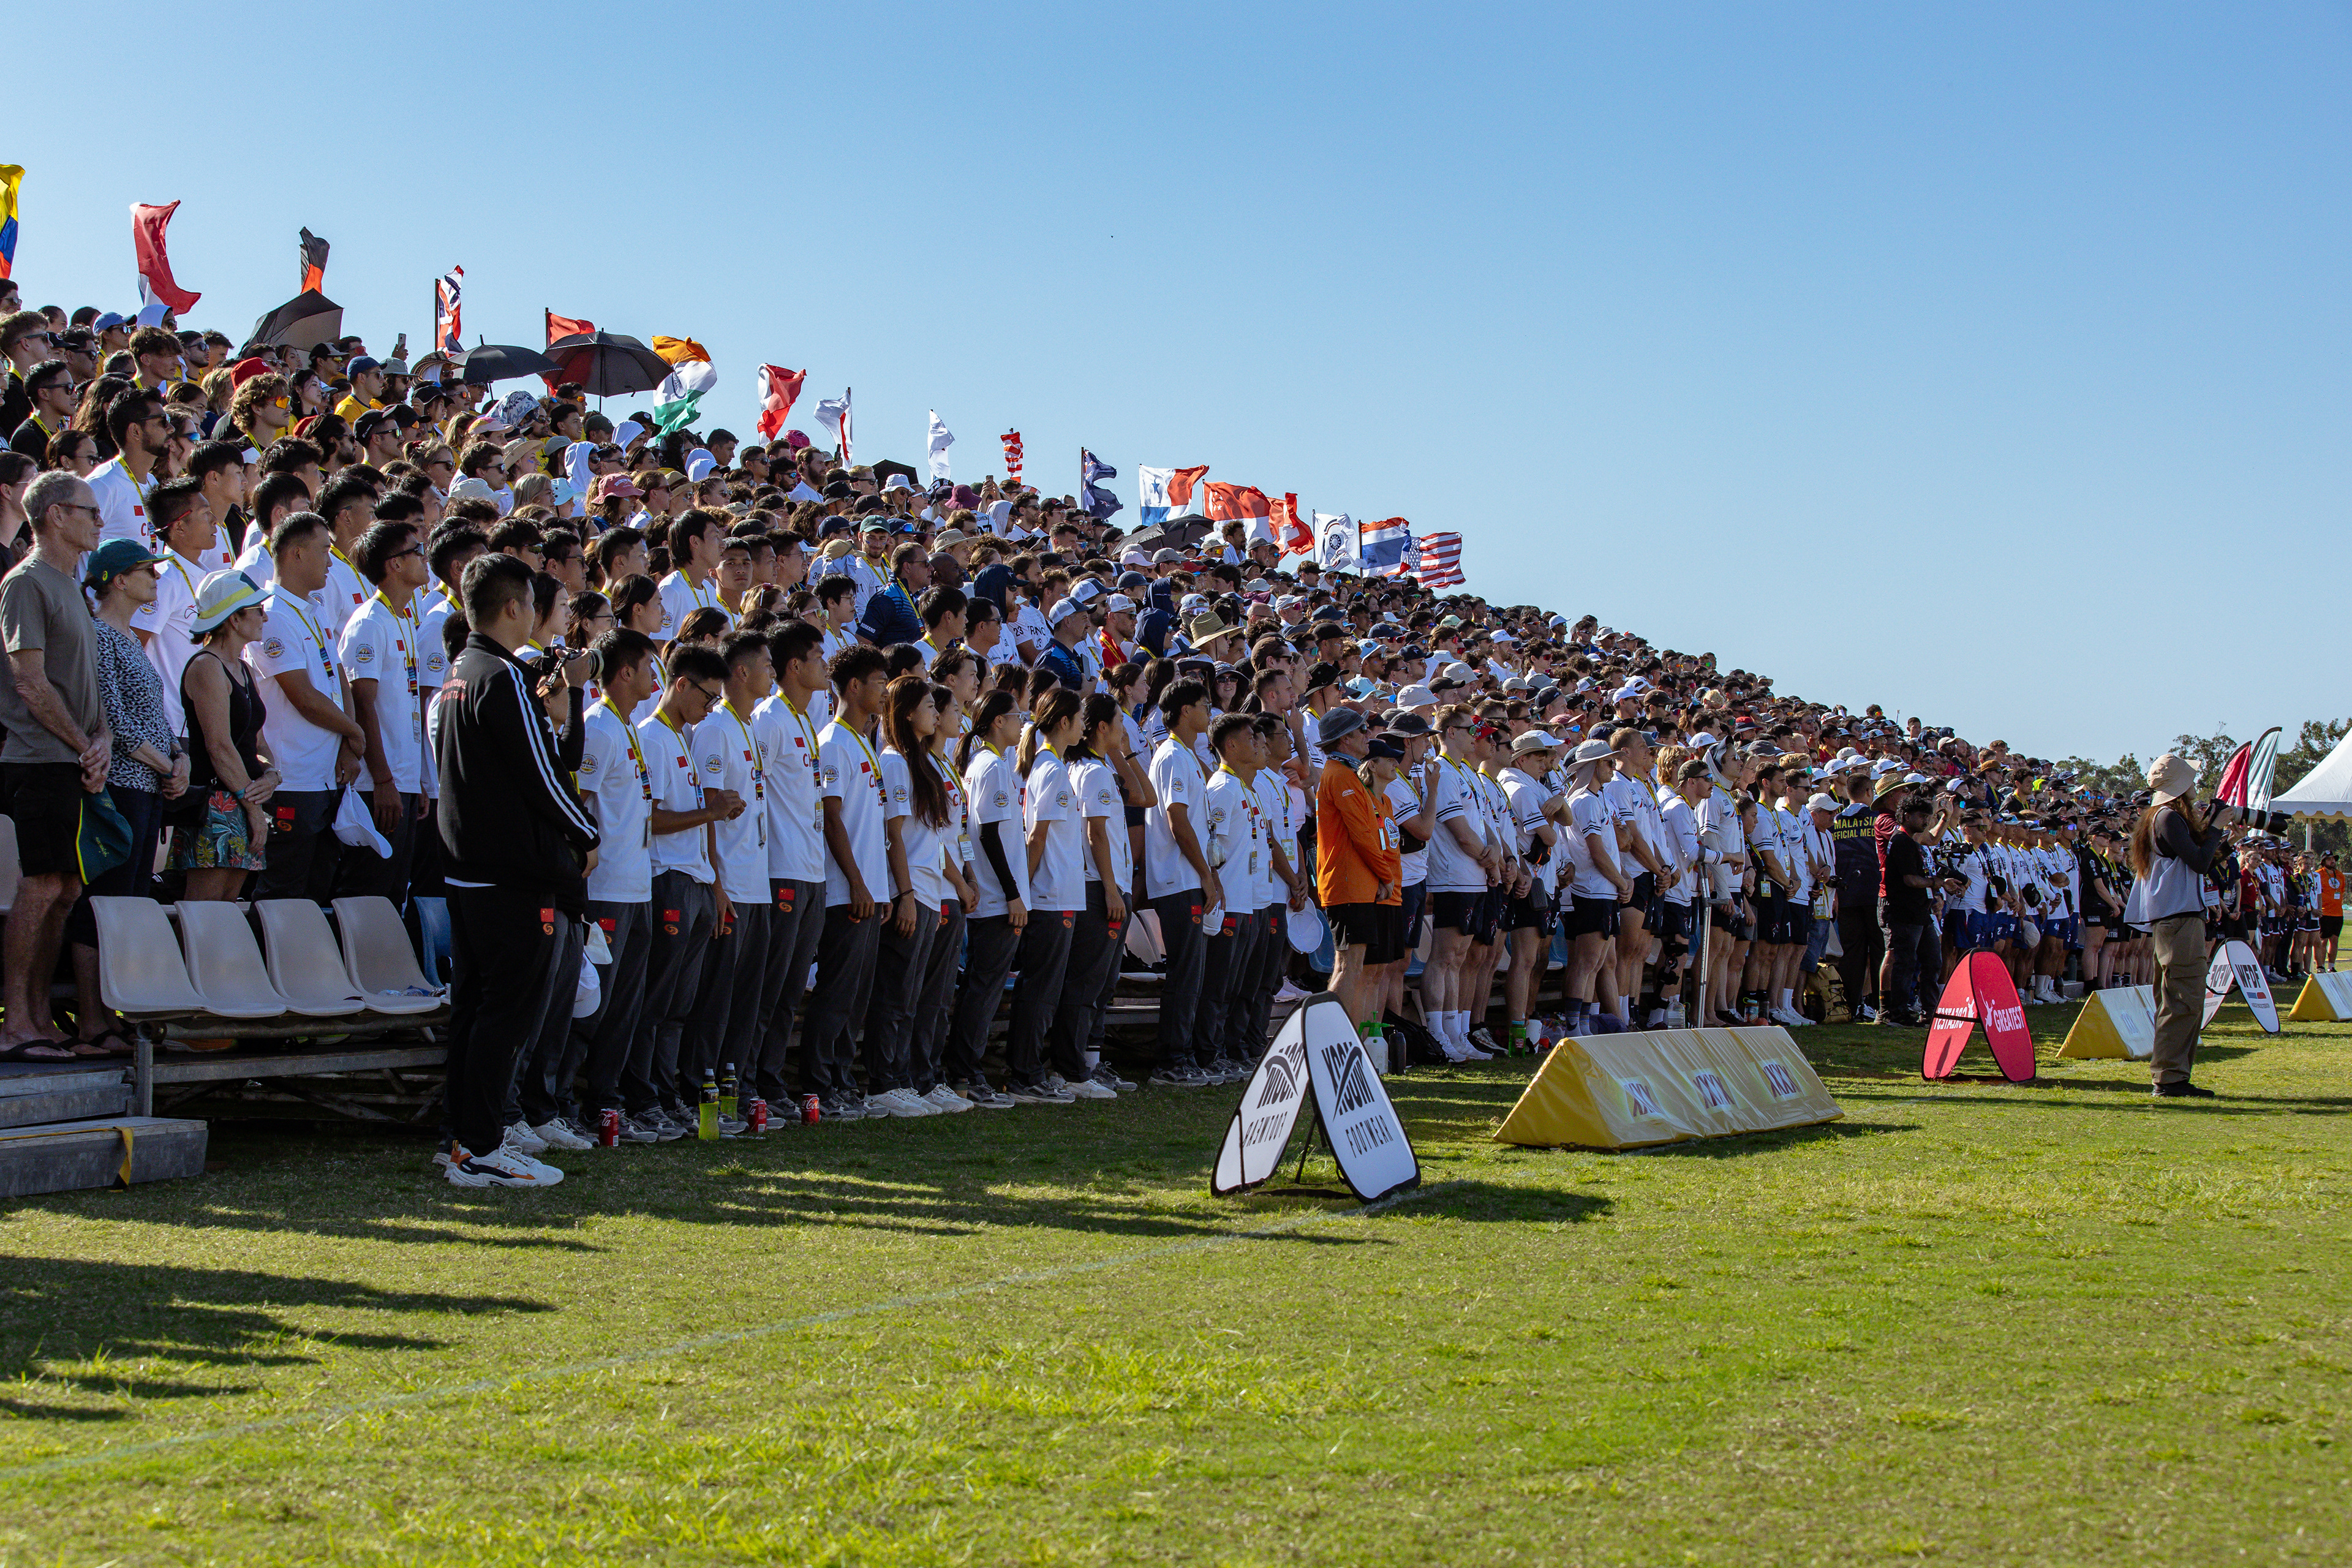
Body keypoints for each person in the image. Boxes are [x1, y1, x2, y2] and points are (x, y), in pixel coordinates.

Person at [434, 551, 600, 1188]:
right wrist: (586, 833)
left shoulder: (461, 670)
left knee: (476, 1011)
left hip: (469, 869)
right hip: (508, 874)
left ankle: (462, 1138)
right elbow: (544, 774)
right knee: (504, 1015)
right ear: (512, 607)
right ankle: (481, 1146)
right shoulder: (500, 676)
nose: (536, 613)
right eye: (531, 602)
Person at [0, 472, 110, 1060]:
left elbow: (86, 685)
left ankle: (40, 1019)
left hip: (73, 759)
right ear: (57, 515)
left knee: (66, 889)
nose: (100, 521)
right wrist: (81, 743)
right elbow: (29, 680)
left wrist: (102, 740)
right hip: (39, 758)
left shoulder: (72, 586)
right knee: (42, 885)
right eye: (90, 511)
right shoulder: (26, 582)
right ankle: (15, 1024)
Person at [246, 511, 366, 902]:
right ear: (296, 554)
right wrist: (354, 731)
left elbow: (340, 682)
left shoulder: (313, 608)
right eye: (324, 551)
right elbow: (304, 697)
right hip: (292, 779)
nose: (331, 561)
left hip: (326, 777)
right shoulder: (272, 614)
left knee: (317, 892)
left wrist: (347, 745)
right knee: (282, 893)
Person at [2127, 754, 2236, 1099]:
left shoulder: (2160, 816)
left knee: (2179, 998)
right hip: (2179, 919)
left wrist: (2225, 840)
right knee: (2182, 999)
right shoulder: (2169, 817)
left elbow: (2198, 859)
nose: (2194, 785)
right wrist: (2215, 827)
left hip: (2174, 918)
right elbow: (2200, 863)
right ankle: (2170, 1078)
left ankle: (2174, 1075)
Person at [334, 521, 431, 904]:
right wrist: (384, 779)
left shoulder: (402, 618)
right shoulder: (369, 622)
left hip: (401, 781)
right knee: (368, 894)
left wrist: (415, 779)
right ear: (395, 563)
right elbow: (362, 705)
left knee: (393, 894)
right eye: (416, 551)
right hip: (378, 784)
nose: (424, 558)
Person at [170, 570, 279, 905]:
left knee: (227, 911)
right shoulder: (207, 666)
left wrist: (272, 774)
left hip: (245, 802)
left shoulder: (244, 669)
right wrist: (252, 808)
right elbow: (219, 747)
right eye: (258, 610)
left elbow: (257, 743)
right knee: (204, 915)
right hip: (216, 804)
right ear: (234, 619)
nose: (265, 617)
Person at [1314, 706, 1400, 1045]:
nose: (1369, 736)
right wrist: (1385, 875)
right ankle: (1331, 1042)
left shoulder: (1345, 774)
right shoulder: (1340, 775)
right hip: (1349, 883)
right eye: (1362, 731)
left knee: (1350, 966)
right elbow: (1362, 835)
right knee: (1349, 968)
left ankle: (1343, 1043)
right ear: (1345, 739)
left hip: (1355, 884)